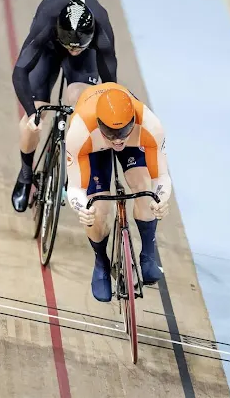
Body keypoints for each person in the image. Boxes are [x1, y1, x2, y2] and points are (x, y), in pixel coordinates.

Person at [10, 0, 119, 212]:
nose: (73, 50)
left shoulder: (102, 30)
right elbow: (19, 72)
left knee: (80, 102)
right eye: (70, 45)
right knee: (34, 121)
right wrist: (32, 113)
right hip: (49, 48)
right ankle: (25, 175)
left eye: (77, 46)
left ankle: (72, 163)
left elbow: (110, 86)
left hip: (84, 60)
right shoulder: (46, 21)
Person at [64, 83, 172, 302]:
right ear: (99, 124)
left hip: (134, 141)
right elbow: (75, 188)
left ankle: (148, 254)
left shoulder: (150, 124)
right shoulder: (80, 130)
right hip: (94, 148)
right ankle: (101, 262)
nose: (118, 140)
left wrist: (161, 199)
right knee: (96, 208)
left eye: (123, 132)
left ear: (133, 120)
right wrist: (81, 207)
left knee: (145, 190)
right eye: (112, 134)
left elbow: (161, 176)